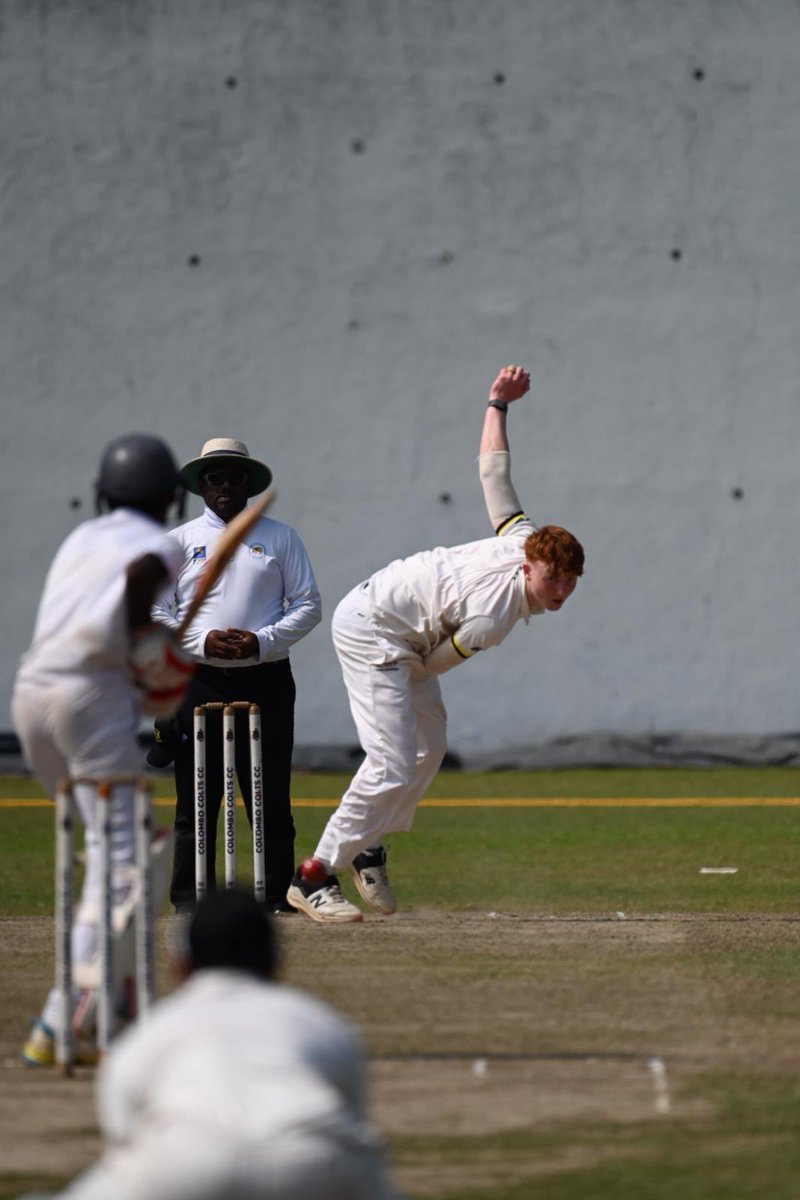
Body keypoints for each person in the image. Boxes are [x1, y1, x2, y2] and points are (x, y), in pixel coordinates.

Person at [287, 365, 585, 923]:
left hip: (402, 630)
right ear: (531, 566)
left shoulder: (525, 537)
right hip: (374, 628)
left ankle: (366, 847)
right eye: (553, 580)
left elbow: (494, 474)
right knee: (393, 760)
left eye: (570, 581)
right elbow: (430, 663)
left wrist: (497, 404)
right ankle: (315, 873)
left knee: (429, 748)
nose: (561, 591)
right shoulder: (494, 615)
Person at [13, 434, 195, 1065]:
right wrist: (160, 657)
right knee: (130, 856)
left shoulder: (79, 539)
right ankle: (75, 1013)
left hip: (31, 695)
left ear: (101, 492)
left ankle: (96, 1006)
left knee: (106, 851)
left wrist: (150, 659)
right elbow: (137, 593)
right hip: (89, 698)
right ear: (171, 498)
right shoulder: (157, 545)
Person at [44, 889, 401, 1200]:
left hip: (184, 1161)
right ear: (275, 961)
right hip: (317, 1154)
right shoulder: (321, 1022)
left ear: (180, 965)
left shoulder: (152, 1032)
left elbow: (122, 1133)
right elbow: (354, 1111)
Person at [150, 438, 321, 915]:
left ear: (249, 484)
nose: (225, 486)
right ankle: (189, 900)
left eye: (235, 477)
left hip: (265, 678)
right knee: (198, 798)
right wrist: (202, 642)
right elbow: (156, 612)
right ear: (201, 485)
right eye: (215, 478)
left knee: (268, 796)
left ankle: (276, 899)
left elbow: (309, 605)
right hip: (198, 680)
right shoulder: (179, 542)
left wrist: (261, 641)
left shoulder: (280, 536)